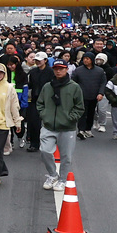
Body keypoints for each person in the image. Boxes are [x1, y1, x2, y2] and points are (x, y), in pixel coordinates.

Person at [34, 59, 84, 187]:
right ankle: (52, 174)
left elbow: (79, 107)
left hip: (68, 128)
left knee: (66, 157)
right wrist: (45, 115)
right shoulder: (47, 86)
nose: (58, 71)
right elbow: (40, 103)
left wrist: (70, 118)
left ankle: (62, 180)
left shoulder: (74, 87)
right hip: (49, 125)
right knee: (45, 151)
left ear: (67, 69)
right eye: (56, 68)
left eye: (61, 68)